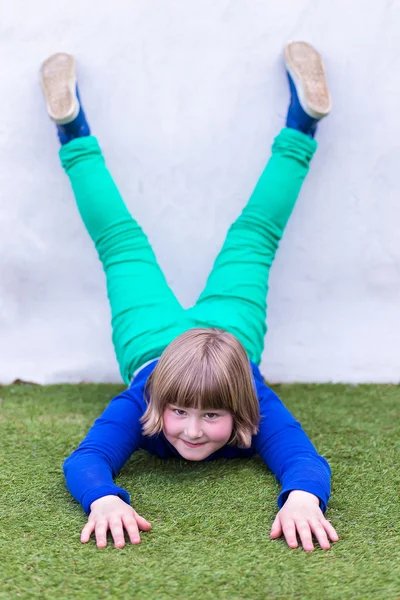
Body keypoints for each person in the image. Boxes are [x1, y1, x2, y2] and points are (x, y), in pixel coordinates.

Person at [40, 41, 339, 552]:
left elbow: (302, 458)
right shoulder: (143, 400)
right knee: (248, 237)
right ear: (158, 400)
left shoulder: (253, 403)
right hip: (213, 333)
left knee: (126, 244)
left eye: (212, 416)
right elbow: (86, 460)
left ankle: (303, 123)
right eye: (178, 411)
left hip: (186, 337)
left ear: (242, 409)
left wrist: (304, 497)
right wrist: (104, 498)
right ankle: (71, 127)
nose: (193, 431)